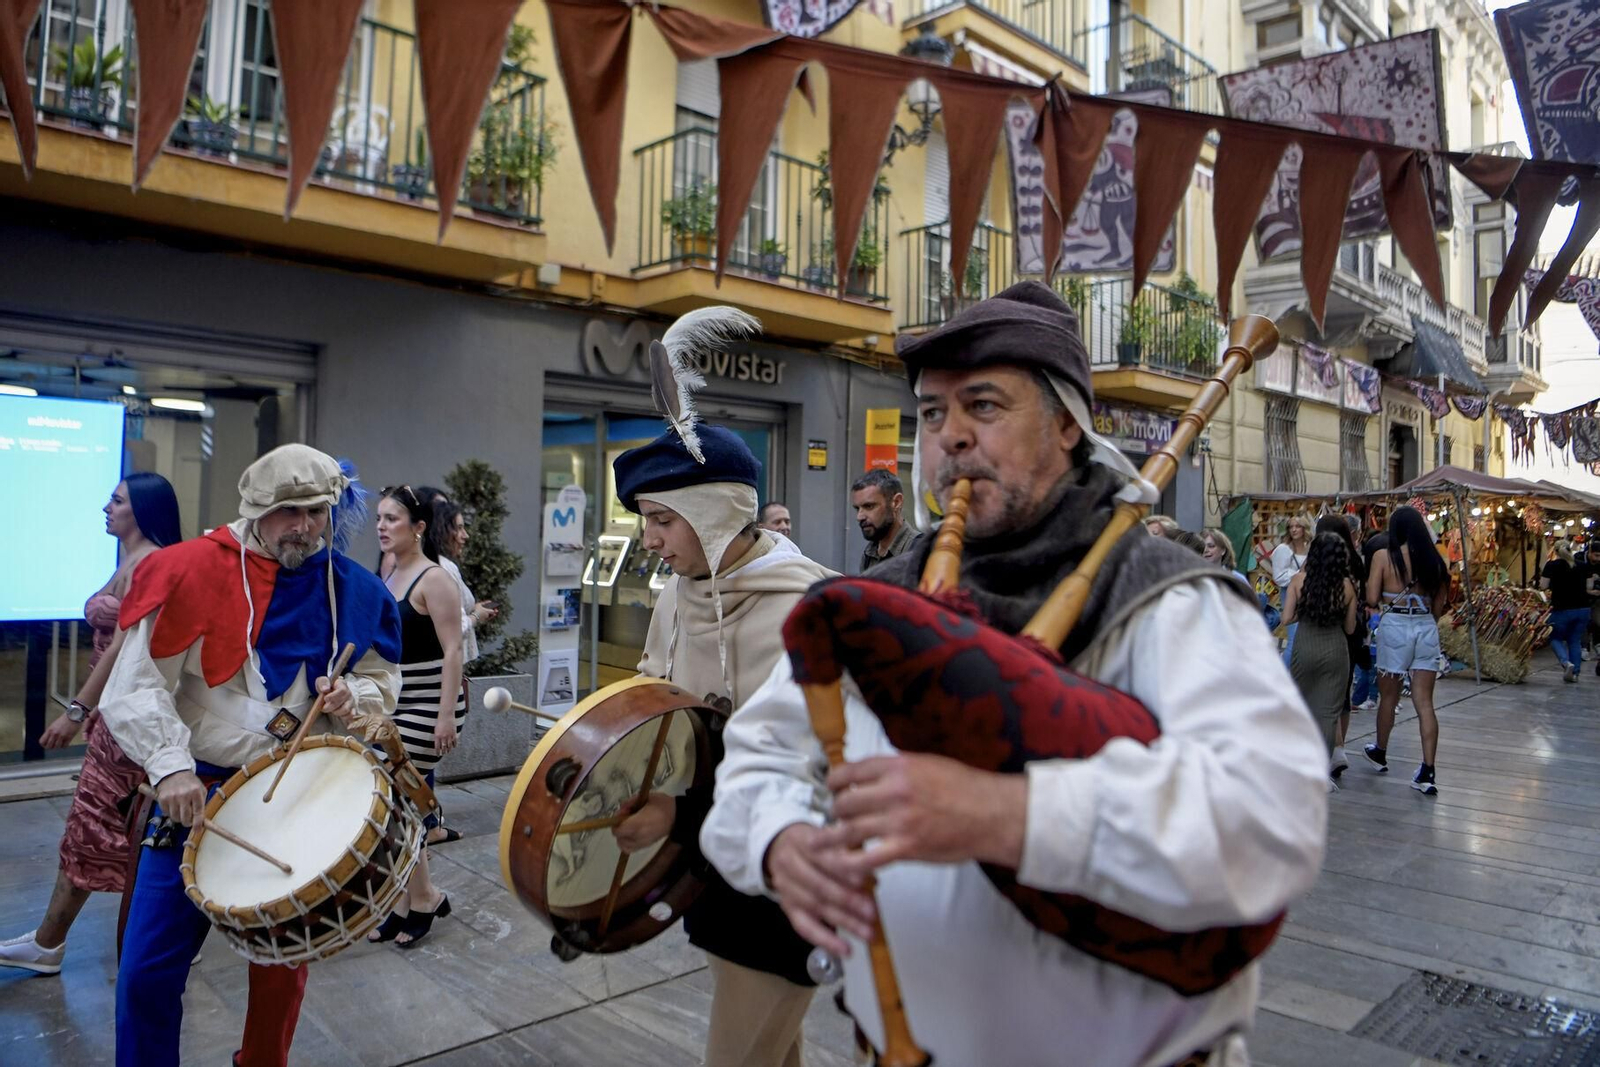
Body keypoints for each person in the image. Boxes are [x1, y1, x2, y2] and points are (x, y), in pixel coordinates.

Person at [702, 282, 1327, 1067]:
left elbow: (1271, 818)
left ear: (1068, 424)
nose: (952, 436)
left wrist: (1007, 815)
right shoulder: (877, 601)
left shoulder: (1167, 599)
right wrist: (778, 837)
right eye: (933, 413)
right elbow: (757, 757)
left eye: (984, 406)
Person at [97, 445, 402, 1067]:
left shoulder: (353, 588)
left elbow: (382, 678)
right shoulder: (189, 570)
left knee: (283, 968)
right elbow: (135, 686)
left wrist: (355, 696)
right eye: (289, 512)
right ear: (257, 508)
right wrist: (170, 766)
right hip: (196, 794)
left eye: (316, 512)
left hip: (295, 792)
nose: (304, 527)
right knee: (146, 970)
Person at [608, 424, 836, 1067]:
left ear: (714, 513)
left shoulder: (815, 612)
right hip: (710, 867)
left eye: (663, 519)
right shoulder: (678, 597)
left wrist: (677, 815)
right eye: (646, 519)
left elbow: (818, 783)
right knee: (774, 1048)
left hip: (790, 887)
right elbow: (660, 705)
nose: (649, 539)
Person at [0, 474, 181, 975]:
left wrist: (77, 709)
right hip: (113, 712)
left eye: (117, 501)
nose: (106, 507)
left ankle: (53, 944)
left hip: (127, 714)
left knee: (101, 826)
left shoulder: (150, 564)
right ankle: (52, 941)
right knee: (99, 827)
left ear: (142, 510)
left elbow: (122, 648)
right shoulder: (131, 559)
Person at [366, 485, 464, 948]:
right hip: (396, 703)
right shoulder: (388, 574)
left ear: (419, 527)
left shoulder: (434, 578)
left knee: (395, 796)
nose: (382, 526)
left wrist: (446, 717)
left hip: (431, 704)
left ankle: (422, 896)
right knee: (394, 803)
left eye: (392, 518)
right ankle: (407, 900)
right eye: (379, 518)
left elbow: (454, 651)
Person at [1363, 505, 1449, 796]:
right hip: (1425, 625)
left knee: (1389, 696)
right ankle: (1428, 770)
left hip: (1395, 625)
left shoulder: (1383, 557)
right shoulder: (1435, 559)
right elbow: (1439, 605)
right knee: (1424, 702)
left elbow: (1372, 597)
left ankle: (1380, 750)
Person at [1283, 533, 1359, 791]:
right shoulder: (1347, 586)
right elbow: (1350, 628)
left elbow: (1286, 618)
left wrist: (1304, 612)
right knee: (1328, 713)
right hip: (1335, 649)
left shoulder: (1298, 581)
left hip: (1305, 645)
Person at [1314, 514, 1366, 780]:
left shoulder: (1321, 558)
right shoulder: (1356, 561)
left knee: (1323, 692)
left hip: (1326, 632)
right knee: (1342, 692)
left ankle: (1334, 749)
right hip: (1352, 630)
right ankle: (1339, 748)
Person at [1540, 540, 1594, 683]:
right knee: (1574, 640)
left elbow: (1543, 586)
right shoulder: (1583, 566)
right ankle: (1575, 673)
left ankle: (1565, 662)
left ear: (1555, 551)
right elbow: (1589, 586)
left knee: (1555, 638)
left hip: (1561, 609)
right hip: (1582, 609)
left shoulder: (1551, 565)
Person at [852, 468, 917, 572]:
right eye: (857, 509)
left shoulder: (921, 552)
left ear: (896, 502)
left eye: (869, 506)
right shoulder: (869, 555)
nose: (859, 517)